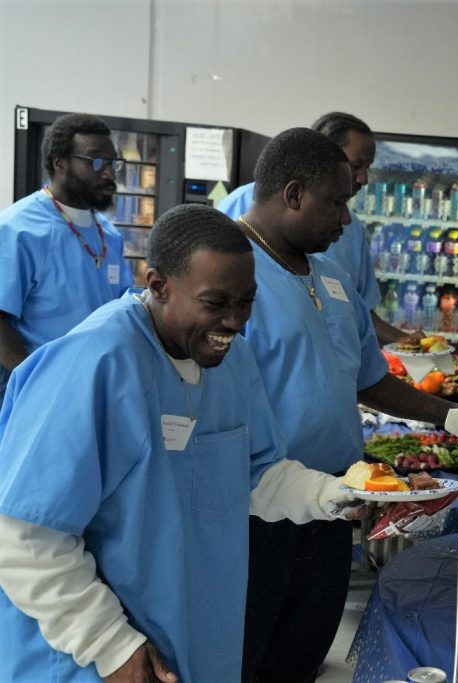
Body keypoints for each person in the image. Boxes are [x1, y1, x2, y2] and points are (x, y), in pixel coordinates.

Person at [0, 203, 366, 682]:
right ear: (158, 286)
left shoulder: (230, 359)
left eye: (247, 302)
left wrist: (344, 496)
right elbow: (25, 534)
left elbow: (256, 474)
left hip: (193, 631)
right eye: (216, 303)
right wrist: (107, 643)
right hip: (92, 652)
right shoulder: (96, 364)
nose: (235, 322)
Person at [236, 128, 458, 682]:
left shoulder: (332, 277)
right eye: (338, 202)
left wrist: (457, 416)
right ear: (294, 193)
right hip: (256, 510)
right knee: (246, 658)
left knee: (302, 653)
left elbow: (371, 379)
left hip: (336, 503)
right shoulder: (232, 274)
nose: (347, 219)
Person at [219, 111, 411, 345]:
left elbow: (359, 316)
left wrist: (406, 342)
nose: (363, 178)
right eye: (356, 165)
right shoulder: (242, 205)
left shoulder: (348, 238)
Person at [0, 113, 134, 402]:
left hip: (94, 387)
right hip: (35, 391)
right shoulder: (18, 229)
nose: (109, 173)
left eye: (113, 163)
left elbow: (123, 309)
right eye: (96, 162)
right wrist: (36, 383)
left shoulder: (108, 235)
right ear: (59, 162)